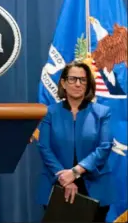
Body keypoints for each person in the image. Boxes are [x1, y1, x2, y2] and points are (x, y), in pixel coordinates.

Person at [36, 61, 115, 222]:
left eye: (83, 80)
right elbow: (44, 147)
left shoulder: (102, 112)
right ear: (64, 83)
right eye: (73, 79)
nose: (78, 84)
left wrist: (75, 172)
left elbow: (104, 146)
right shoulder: (50, 113)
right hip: (58, 184)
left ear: (88, 84)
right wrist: (64, 177)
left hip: (94, 186)